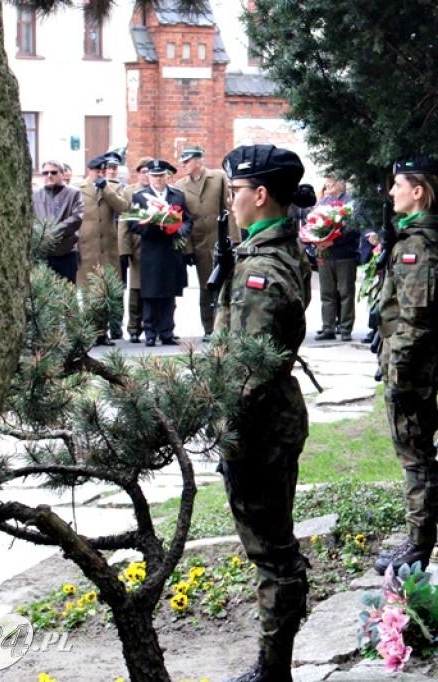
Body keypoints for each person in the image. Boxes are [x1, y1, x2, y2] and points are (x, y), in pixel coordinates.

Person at [214, 144, 314, 682]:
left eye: (235, 192)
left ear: (259, 195)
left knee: (273, 553)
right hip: (271, 421)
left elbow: (246, 374)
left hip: (258, 429)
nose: (230, 201)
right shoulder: (271, 252)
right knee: (274, 547)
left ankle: (273, 669)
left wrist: (226, 435)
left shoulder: (261, 269)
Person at [372, 155, 438, 575]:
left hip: (412, 368)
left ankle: (420, 547)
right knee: (414, 453)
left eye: (397, 185)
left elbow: (417, 318)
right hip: (405, 362)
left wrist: (399, 372)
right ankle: (417, 539)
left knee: (416, 456)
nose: (391, 192)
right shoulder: (412, 238)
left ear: (417, 191)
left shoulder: (419, 245)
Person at [126, 159, 192, 347]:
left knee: (169, 294)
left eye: (161, 176)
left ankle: (167, 332)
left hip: (171, 251)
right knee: (151, 294)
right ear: (148, 177)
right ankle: (150, 333)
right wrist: (156, 227)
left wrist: (179, 230)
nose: (158, 179)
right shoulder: (140, 197)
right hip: (151, 251)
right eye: (154, 176)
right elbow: (132, 224)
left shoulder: (177, 196)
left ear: (167, 177)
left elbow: (188, 220)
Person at [175, 144, 237, 337]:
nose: (183, 165)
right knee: (206, 287)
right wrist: (188, 249)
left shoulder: (218, 178)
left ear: (198, 161)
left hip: (222, 241)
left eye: (187, 161)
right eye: (183, 162)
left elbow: (230, 209)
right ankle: (209, 329)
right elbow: (183, 219)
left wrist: (235, 239)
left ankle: (230, 327)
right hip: (200, 244)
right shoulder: (180, 186)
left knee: (229, 284)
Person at [75, 154, 129, 344]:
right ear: (90, 171)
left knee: (106, 291)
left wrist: (106, 189)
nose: (99, 175)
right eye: (97, 171)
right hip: (87, 247)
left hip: (108, 249)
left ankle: (102, 333)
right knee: (90, 292)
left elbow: (123, 208)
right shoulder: (78, 188)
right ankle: (91, 332)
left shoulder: (112, 188)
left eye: (102, 172)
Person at [312, 176, 360, 341]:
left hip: (345, 254)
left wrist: (334, 240)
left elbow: (354, 229)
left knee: (346, 292)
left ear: (340, 184)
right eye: (326, 186)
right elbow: (312, 224)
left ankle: (346, 328)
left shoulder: (351, 203)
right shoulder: (322, 203)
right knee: (327, 293)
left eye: (331, 185)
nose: (327, 189)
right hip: (325, 254)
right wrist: (318, 241)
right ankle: (328, 327)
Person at [32, 159, 84, 283]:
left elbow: (77, 218)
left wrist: (52, 232)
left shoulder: (74, 194)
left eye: (53, 172)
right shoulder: (35, 195)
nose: (49, 175)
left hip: (66, 254)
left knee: (67, 296)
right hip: (42, 255)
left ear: (62, 173)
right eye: (45, 173)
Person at [119, 157, 152, 343]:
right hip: (137, 245)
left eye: (149, 172)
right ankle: (133, 328)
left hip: (154, 247)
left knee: (154, 289)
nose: (146, 175)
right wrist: (124, 250)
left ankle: (151, 327)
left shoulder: (158, 191)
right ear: (138, 173)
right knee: (136, 290)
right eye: (143, 172)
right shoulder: (130, 192)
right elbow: (124, 223)